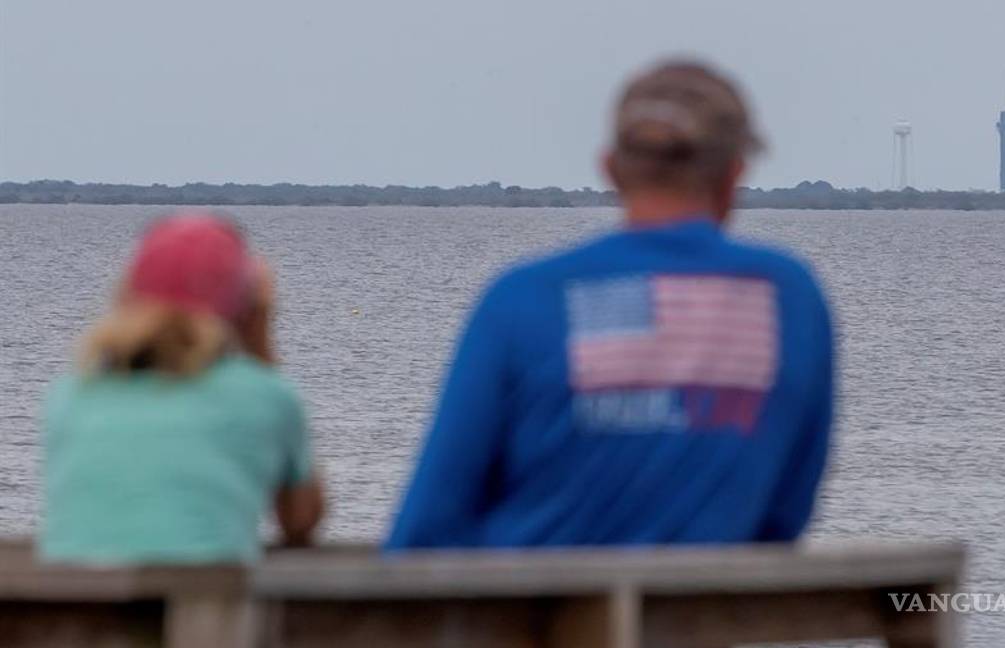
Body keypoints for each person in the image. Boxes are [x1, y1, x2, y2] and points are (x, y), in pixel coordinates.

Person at [386, 60, 834, 549]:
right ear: (733, 175)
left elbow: (427, 526)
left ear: (612, 170)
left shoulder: (523, 299)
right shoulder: (790, 299)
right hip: (703, 618)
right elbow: (785, 513)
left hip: (529, 617)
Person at [39, 213, 324, 564]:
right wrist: (259, 344)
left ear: (129, 294)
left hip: (76, 614)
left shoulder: (71, 395)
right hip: (206, 615)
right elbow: (301, 520)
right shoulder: (262, 395)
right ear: (244, 305)